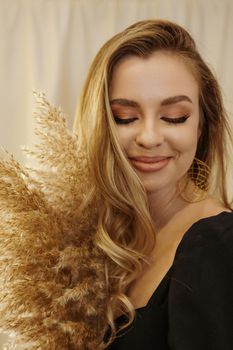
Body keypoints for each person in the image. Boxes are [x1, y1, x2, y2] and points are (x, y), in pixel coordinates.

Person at [72, 19, 233, 348]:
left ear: (202, 125)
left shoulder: (218, 244)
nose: (148, 137)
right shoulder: (101, 246)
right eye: (124, 117)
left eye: (174, 116)